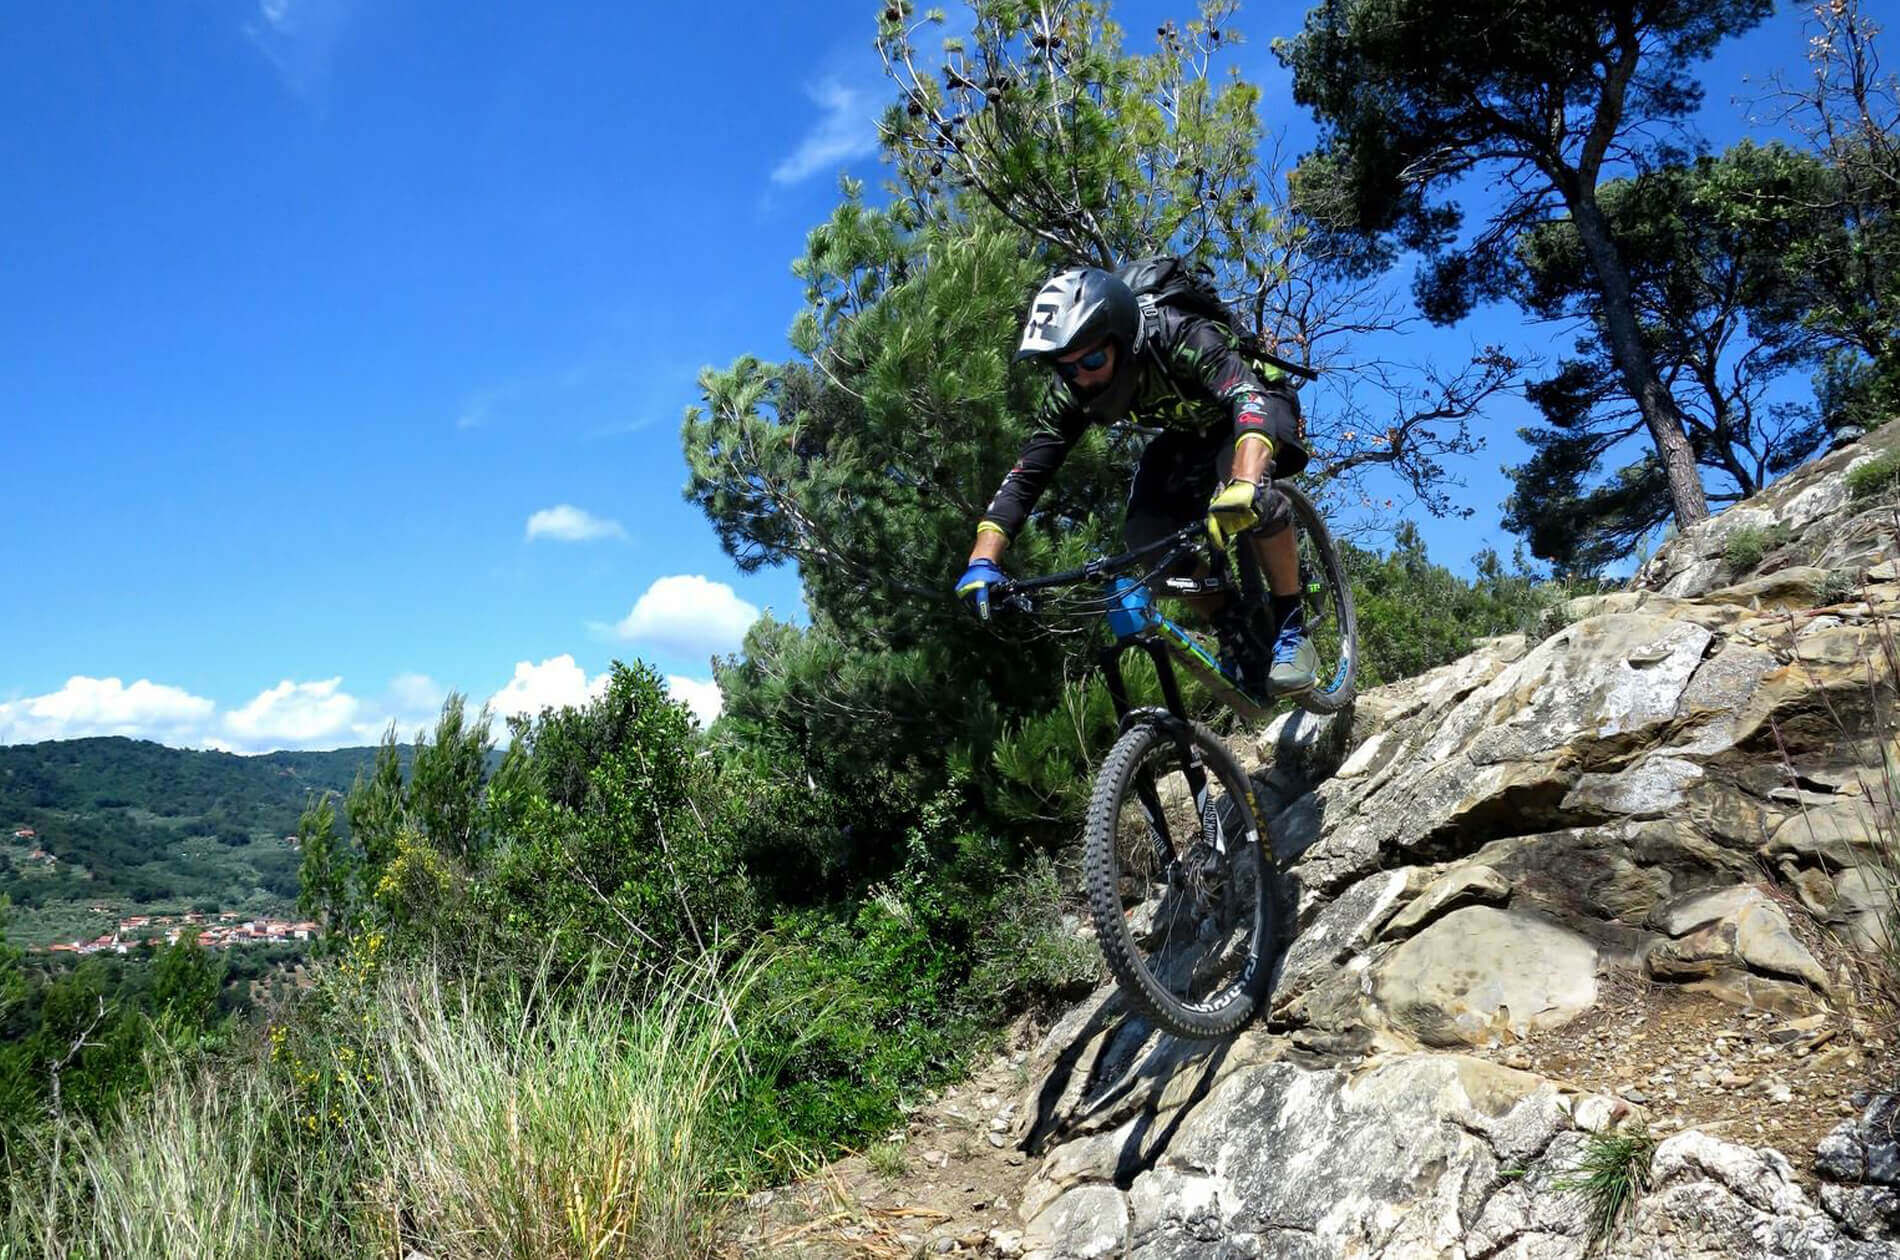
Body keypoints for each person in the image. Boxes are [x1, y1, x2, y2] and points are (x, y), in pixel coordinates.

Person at [954, 265, 1318, 694]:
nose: (1082, 377)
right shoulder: (1072, 391)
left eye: (1092, 360)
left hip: (1254, 402)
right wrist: (982, 561)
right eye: (1067, 368)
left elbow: (1246, 398)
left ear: (1123, 339)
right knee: (1145, 535)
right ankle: (1233, 624)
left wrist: (1244, 481)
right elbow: (1028, 473)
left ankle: (1292, 626)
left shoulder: (1178, 332)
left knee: (1253, 497)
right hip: (1189, 431)